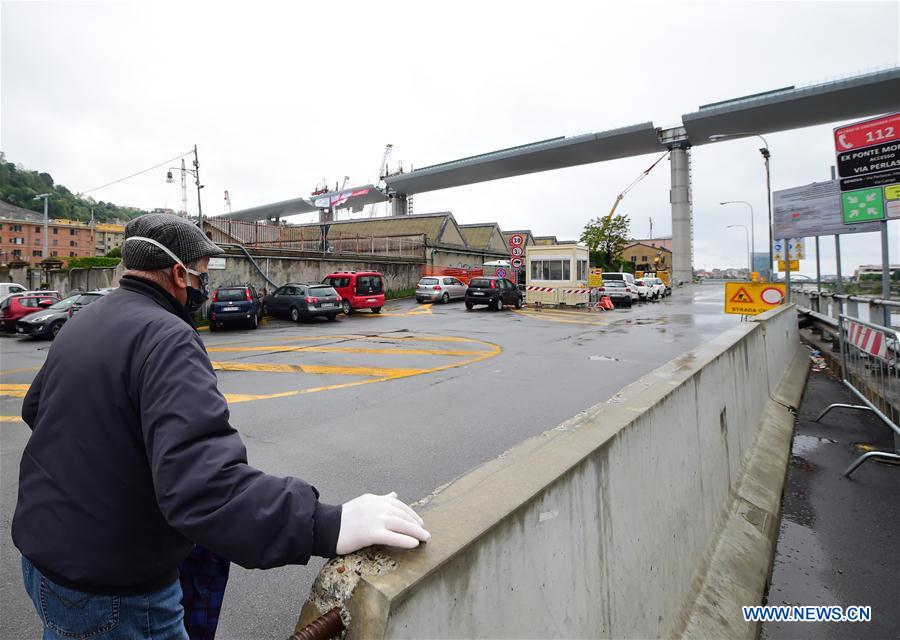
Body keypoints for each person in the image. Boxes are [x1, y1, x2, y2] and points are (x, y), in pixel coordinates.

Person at [13, 214, 429, 640]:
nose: (205, 285)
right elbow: (203, 485)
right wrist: (326, 524)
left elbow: (37, 409)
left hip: (45, 560)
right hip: (115, 591)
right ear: (179, 273)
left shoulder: (85, 319)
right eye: (203, 273)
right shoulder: (167, 337)